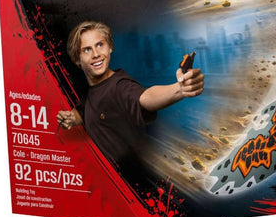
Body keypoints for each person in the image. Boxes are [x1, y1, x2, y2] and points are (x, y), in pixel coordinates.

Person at [56, 20, 204, 170]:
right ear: (77, 59)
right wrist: (71, 118)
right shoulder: (90, 93)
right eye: (87, 49)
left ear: (110, 47)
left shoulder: (120, 86)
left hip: (131, 176)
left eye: (100, 45)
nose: (96, 54)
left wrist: (179, 89)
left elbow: (146, 97)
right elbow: (83, 111)